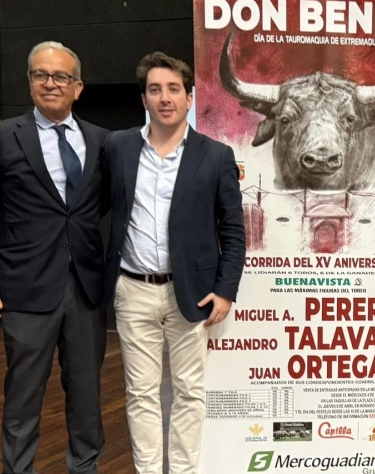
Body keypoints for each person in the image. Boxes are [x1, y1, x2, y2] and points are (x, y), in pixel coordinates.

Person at [102, 51, 246, 474]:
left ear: (189, 97)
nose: (164, 97)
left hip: (194, 293)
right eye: (154, 89)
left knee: (189, 392)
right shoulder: (118, 147)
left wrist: (225, 290)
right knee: (141, 393)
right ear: (143, 98)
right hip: (133, 290)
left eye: (173, 89)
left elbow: (233, 233)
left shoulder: (216, 155)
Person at [0, 41, 109, 474]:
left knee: (87, 397)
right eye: (40, 75)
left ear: (78, 87)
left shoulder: (103, 142)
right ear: (30, 81)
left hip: (85, 289)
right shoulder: (1, 136)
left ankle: (85, 467)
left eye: (60, 77)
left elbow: (99, 206)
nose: (50, 83)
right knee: (22, 398)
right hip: (24, 288)